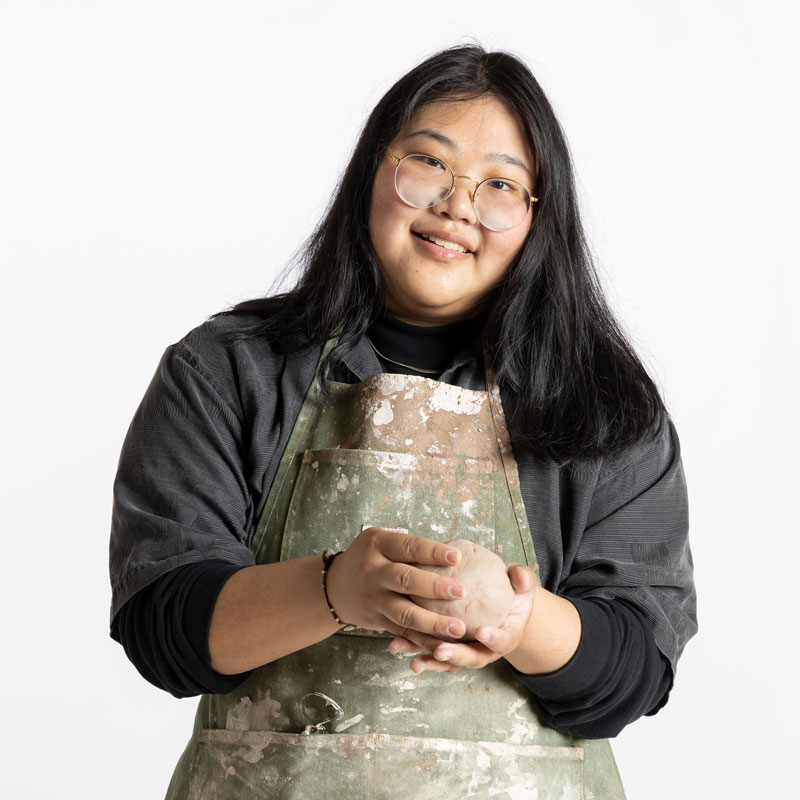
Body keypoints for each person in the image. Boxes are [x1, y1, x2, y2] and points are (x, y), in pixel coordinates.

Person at [109, 45, 696, 798]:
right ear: (373, 170)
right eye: (428, 163)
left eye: (501, 186)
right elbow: (167, 629)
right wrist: (333, 591)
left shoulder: (605, 411)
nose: (457, 205)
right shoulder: (228, 373)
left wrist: (516, 618)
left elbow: (636, 669)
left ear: (539, 217)